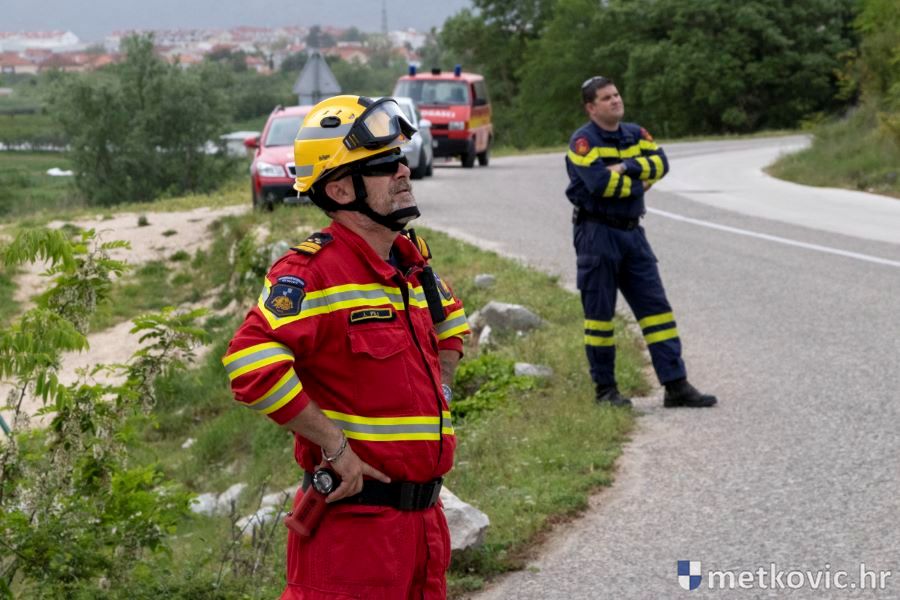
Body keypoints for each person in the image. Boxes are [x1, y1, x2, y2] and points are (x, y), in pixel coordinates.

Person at [222, 95, 471, 599]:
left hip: (424, 528)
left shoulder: (408, 261)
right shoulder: (312, 273)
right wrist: (335, 447)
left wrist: (443, 390)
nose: (402, 171)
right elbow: (249, 364)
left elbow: (451, 325)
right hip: (354, 534)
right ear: (339, 188)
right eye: (383, 165)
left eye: (400, 159)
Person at [565, 76, 717, 409]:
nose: (615, 100)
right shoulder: (583, 142)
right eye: (606, 98)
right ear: (591, 108)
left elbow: (661, 164)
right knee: (599, 318)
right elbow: (599, 184)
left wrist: (625, 166)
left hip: (633, 233)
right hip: (597, 235)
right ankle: (606, 391)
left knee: (656, 311)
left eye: (616, 94)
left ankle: (676, 385)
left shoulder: (636, 134)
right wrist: (639, 184)